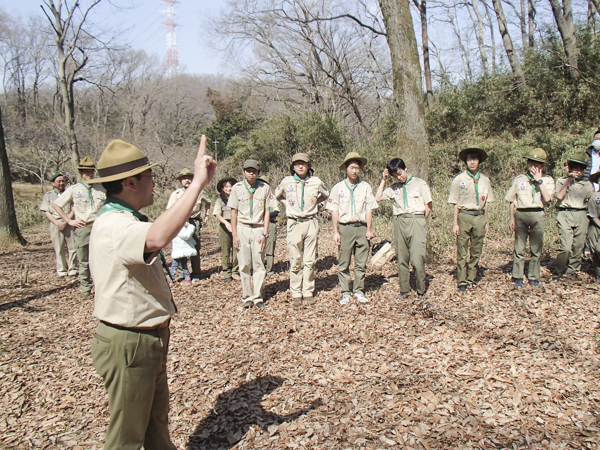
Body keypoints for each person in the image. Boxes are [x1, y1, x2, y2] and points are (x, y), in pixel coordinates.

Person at [88, 135, 216, 450]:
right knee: (127, 438)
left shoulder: (126, 219)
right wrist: (196, 185)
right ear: (131, 183)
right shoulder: (115, 224)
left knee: (155, 429)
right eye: (149, 177)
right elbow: (158, 237)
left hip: (147, 338)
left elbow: (158, 230)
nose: (154, 183)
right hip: (130, 343)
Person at [275, 153, 329, 306]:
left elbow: (325, 194)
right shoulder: (287, 181)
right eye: (297, 164)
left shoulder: (316, 181)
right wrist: (288, 204)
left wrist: (314, 205)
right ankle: (296, 291)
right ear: (293, 166)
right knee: (295, 259)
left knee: (310, 260)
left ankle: (308, 290)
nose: (300, 166)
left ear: (308, 166)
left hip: (311, 221)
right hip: (294, 223)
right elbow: (277, 194)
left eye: (303, 164)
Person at [375, 158, 432, 299]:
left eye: (400, 173)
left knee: (418, 257)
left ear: (405, 169)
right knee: (402, 256)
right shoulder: (394, 187)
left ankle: (421, 289)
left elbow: (428, 205)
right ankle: (404, 289)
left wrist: (420, 221)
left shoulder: (419, 183)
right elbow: (377, 198)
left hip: (416, 219)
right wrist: (384, 180)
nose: (399, 177)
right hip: (399, 221)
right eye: (395, 176)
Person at [326, 152, 378, 305]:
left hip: (361, 227)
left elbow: (369, 209)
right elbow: (334, 211)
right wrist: (335, 231)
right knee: (344, 262)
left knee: (361, 262)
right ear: (345, 168)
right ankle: (345, 292)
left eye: (357, 168)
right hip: (345, 228)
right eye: (352, 168)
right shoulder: (338, 188)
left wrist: (369, 229)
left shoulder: (365, 187)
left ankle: (359, 291)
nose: (355, 171)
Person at [53, 157, 106, 298]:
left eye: (91, 171)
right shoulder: (74, 189)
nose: (89, 174)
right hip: (83, 228)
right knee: (84, 260)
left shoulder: (101, 187)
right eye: (85, 171)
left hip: (100, 227)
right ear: (81, 173)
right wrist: (68, 220)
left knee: (103, 258)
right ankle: (86, 288)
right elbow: (56, 205)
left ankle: (103, 288)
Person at [228, 159, 276, 308]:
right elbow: (233, 212)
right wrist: (234, 235)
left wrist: (265, 233)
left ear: (258, 173)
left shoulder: (264, 188)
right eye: (248, 170)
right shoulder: (236, 188)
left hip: (258, 228)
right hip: (242, 228)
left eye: (254, 171)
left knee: (259, 263)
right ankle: (247, 296)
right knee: (244, 264)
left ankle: (258, 296)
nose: (251, 173)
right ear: (243, 172)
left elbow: (267, 212)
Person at [505, 148, 555, 288]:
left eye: (538, 164)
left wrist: (539, 181)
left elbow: (548, 199)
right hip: (521, 213)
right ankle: (518, 276)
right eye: (532, 162)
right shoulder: (520, 179)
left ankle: (533, 276)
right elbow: (511, 199)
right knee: (519, 247)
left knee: (536, 247)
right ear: (527, 163)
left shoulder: (547, 180)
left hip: (538, 213)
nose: (534, 166)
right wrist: (511, 218)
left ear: (543, 166)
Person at [448, 147, 494, 292]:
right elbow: (455, 203)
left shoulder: (485, 180)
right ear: (465, 162)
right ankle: (461, 280)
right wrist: (455, 223)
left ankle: (471, 278)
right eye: (469, 159)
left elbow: (486, 203)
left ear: (479, 161)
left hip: (479, 216)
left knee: (476, 248)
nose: (472, 162)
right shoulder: (459, 180)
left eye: (475, 159)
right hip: (464, 216)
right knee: (462, 248)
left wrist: (486, 221)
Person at [553, 151, 594, 280]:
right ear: (570, 168)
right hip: (565, 213)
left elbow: (591, 201)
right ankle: (559, 270)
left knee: (578, 245)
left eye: (581, 169)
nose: (578, 171)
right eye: (575, 168)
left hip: (581, 214)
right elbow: (559, 196)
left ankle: (572, 271)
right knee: (565, 246)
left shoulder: (587, 185)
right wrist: (569, 180)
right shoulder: (562, 181)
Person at [166, 168, 212, 281]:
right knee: (180, 247)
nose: (187, 180)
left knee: (195, 247)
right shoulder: (176, 194)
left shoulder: (200, 192)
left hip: (194, 221)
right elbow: (169, 209)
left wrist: (206, 215)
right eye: (184, 178)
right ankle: (183, 273)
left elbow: (208, 202)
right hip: (180, 222)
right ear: (180, 181)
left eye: (189, 178)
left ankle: (196, 273)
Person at [39, 173, 78, 278]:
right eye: (59, 181)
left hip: (69, 222)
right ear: (53, 183)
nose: (61, 183)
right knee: (59, 248)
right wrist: (57, 223)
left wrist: (67, 221)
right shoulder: (48, 195)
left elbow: (74, 208)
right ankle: (62, 271)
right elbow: (47, 212)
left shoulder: (70, 193)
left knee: (72, 247)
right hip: (55, 223)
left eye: (63, 181)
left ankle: (73, 269)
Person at [213, 177, 239, 282]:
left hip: (237, 226)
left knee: (237, 249)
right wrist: (226, 223)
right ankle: (226, 272)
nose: (229, 188)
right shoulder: (220, 201)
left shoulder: (238, 198)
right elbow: (217, 214)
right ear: (222, 189)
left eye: (230, 186)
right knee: (226, 250)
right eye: (226, 187)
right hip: (225, 226)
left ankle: (235, 271)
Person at [259, 176, 281, 276]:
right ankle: (259, 269)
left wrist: (265, 216)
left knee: (270, 248)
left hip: (270, 224)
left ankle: (269, 270)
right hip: (258, 225)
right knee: (258, 248)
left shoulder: (271, 197)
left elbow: (276, 211)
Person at [169, 222, 197, 286]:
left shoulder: (176, 227)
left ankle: (187, 277)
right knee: (175, 265)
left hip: (181, 250)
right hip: (180, 250)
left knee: (183, 264)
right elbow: (187, 236)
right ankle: (172, 278)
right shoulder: (179, 228)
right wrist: (190, 226)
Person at [587, 170, 600, 282]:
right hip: (596, 224)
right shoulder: (595, 197)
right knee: (594, 248)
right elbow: (593, 215)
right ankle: (598, 272)